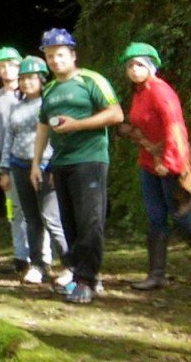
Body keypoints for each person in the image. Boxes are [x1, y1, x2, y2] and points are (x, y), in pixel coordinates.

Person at [33, 28, 123, 304]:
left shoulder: (91, 80)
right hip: (61, 162)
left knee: (90, 220)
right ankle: (79, 275)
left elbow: (116, 113)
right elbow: (43, 125)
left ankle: (86, 280)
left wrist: (78, 125)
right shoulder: (49, 89)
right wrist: (36, 163)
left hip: (90, 159)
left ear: (72, 55)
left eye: (60, 54)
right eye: (50, 56)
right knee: (70, 222)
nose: (55, 60)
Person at [117, 43, 191, 290]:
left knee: (181, 216)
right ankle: (156, 275)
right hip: (148, 163)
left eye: (139, 64)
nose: (133, 69)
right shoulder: (139, 91)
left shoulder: (161, 91)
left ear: (151, 66)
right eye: (129, 65)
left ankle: (157, 274)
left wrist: (170, 164)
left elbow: (176, 128)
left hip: (170, 163)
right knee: (156, 218)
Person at [2, 56, 70, 285]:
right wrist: (4, 167)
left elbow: (59, 136)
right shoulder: (16, 107)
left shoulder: (50, 104)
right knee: (31, 218)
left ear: (41, 79)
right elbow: (8, 138)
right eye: (22, 78)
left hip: (46, 165)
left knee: (52, 217)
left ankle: (70, 265)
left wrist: (53, 165)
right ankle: (37, 264)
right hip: (19, 165)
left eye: (31, 78)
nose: (26, 82)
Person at [0, 47, 43, 273]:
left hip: (36, 160)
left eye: (13, 65)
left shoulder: (32, 94)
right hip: (9, 163)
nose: (8, 69)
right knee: (13, 210)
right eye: (3, 65)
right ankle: (20, 255)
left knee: (37, 211)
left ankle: (41, 256)